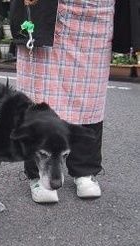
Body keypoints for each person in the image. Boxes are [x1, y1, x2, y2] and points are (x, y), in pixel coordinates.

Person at [10, 0, 140, 203]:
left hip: (97, 13)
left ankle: (85, 170)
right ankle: (37, 173)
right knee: (40, 97)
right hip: (47, 9)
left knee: (90, 96)